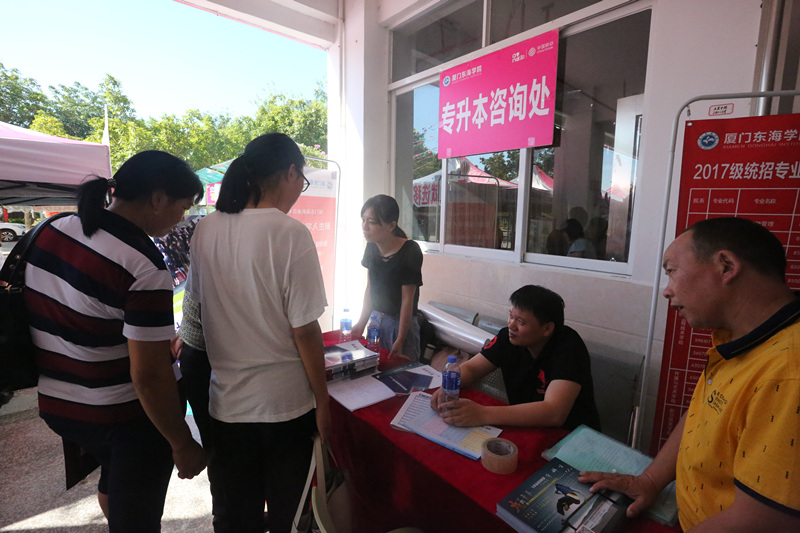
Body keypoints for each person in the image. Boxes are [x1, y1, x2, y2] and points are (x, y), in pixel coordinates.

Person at [23, 151, 207, 532]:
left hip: (60, 405)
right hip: (123, 418)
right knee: (137, 516)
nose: (182, 218)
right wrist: (181, 442)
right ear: (157, 199)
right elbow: (149, 376)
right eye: (183, 207)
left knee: (115, 481)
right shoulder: (142, 265)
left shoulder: (55, 228)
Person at [580, 217, 800, 532]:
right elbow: (704, 412)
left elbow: (762, 522)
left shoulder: (788, 373)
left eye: (672, 271)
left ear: (726, 266)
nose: (667, 291)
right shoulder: (737, 336)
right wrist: (649, 481)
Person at [187, 132, 330, 533]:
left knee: (236, 517)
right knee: (289, 515)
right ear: (290, 173)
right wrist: (322, 402)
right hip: (285, 408)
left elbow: (197, 310)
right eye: (301, 182)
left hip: (227, 407)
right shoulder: (290, 233)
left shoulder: (205, 230)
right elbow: (305, 330)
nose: (299, 191)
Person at [430, 285, 600, 430]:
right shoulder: (508, 338)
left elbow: (554, 412)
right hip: (528, 426)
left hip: (571, 437)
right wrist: (448, 387)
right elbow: (472, 368)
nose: (511, 325)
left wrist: (482, 413)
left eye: (521, 322)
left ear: (547, 329)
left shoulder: (569, 348)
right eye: (511, 316)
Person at [352, 194, 424, 361]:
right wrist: (361, 322)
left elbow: (407, 300)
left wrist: (401, 339)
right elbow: (370, 288)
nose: (365, 227)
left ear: (391, 225)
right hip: (376, 320)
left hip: (401, 324)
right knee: (374, 368)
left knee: (402, 372)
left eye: (371, 222)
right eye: (363, 220)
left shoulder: (410, 250)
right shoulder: (371, 246)